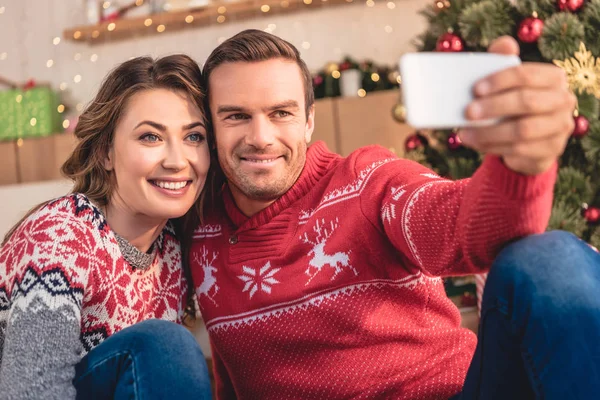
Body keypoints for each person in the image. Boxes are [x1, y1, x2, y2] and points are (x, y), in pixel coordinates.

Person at [188, 29, 600, 399]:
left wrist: (521, 166)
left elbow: (455, 224)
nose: (261, 137)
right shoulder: (199, 234)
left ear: (309, 121)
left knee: (549, 257)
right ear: (210, 127)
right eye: (236, 116)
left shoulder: (370, 181)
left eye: (281, 113)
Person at [0, 55, 213, 399]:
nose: (177, 161)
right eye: (150, 137)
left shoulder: (172, 251)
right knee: (165, 343)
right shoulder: (61, 235)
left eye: (194, 137)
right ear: (105, 153)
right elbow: (29, 391)